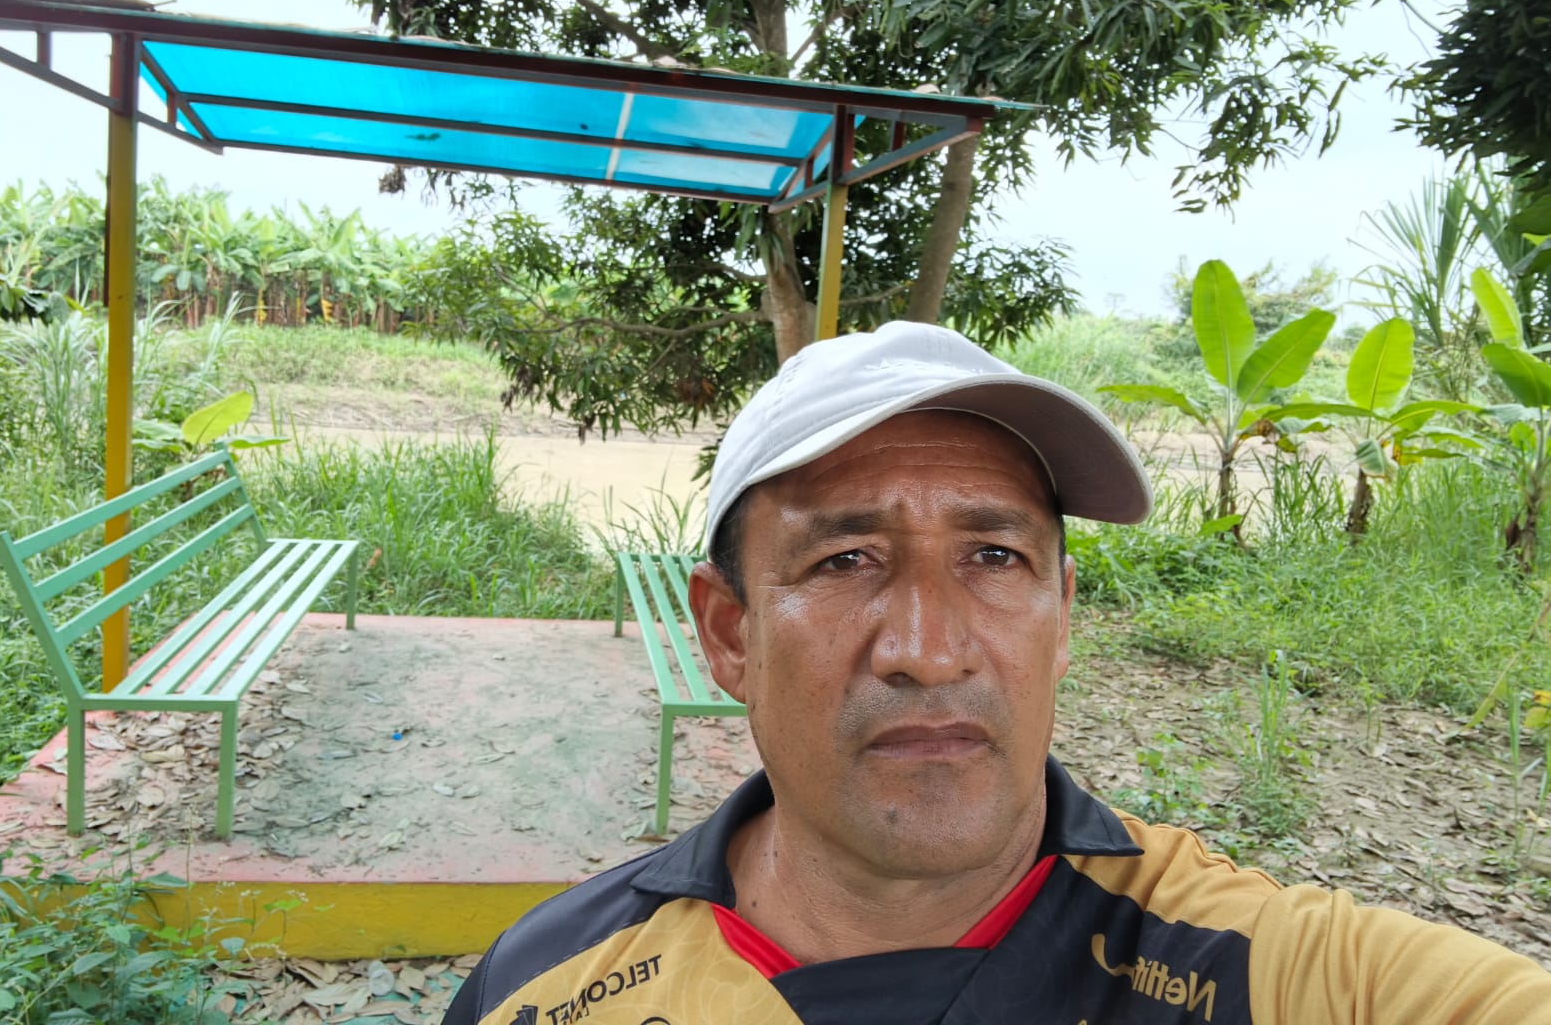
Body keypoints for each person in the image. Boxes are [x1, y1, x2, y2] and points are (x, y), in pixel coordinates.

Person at [445, 321, 1551, 1025]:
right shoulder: (544, 989)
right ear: (730, 633)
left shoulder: (1250, 966)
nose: (930, 650)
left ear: (1061, 616)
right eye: (845, 560)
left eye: (992, 556)